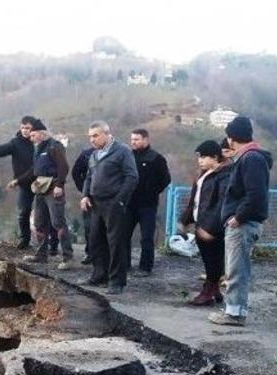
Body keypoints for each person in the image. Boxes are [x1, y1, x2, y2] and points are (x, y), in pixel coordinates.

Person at [209, 116, 273, 326]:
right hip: (242, 223)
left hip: (243, 225)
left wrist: (238, 217)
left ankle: (234, 314)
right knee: (236, 268)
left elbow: (255, 195)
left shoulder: (251, 158)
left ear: (231, 138)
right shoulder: (250, 158)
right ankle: (233, 309)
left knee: (237, 270)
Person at [0, 116, 51, 250]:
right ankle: (25, 240)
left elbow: (37, 167)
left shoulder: (40, 143)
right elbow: (3, 149)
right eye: (22, 128)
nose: (25, 131)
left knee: (44, 215)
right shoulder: (16, 143)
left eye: (28, 128)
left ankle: (50, 244)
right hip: (24, 185)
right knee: (23, 212)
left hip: (42, 183)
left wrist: (17, 181)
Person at [80, 121, 138, 295]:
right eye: (90, 136)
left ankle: (116, 281)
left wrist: (120, 200)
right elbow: (89, 177)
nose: (92, 139)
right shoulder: (94, 154)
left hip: (113, 203)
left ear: (107, 133)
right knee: (96, 241)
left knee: (116, 243)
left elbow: (132, 177)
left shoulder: (122, 151)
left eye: (95, 135)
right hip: (95, 203)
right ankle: (99, 275)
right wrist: (85, 195)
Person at [178, 140, 233, 306]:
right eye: (198, 157)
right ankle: (213, 290)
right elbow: (194, 200)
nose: (200, 160)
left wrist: (210, 228)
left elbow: (221, 204)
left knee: (213, 260)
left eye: (203, 157)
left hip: (212, 227)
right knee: (208, 260)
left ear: (215, 157)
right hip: (201, 223)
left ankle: (208, 292)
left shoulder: (224, 174)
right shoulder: (203, 174)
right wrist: (185, 220)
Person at [22, 120, 73, 268]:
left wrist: (60, 185)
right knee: (39, 223)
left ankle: (68, 257)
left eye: (33, 135)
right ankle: (41, 255)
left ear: (41, 134)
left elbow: (63, 167)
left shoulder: (54, 146)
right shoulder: (38, 148)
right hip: (40, 188)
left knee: (58, 222)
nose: (30, 138)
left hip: (53, 188)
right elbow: (36, 169)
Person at [125, 129, 171, 276]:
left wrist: (152, 191)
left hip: (147, 205)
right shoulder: (128, 156)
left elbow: (165, 179)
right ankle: (124, 264)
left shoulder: (156, 158)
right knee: (123, 235)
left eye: (137, 139)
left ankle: (145, 267)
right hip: (129, 203)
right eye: (132, 139)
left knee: (146, 237)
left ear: (146, 140)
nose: (133, 142)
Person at [71, 147, 95, 264]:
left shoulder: (116, 152)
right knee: (89, 226)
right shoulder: (86, 154)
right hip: (89, 197)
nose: (93, 139)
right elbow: (75, 172)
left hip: (108, 197)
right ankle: (90, 253)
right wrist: (84, 191)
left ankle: (107, 255)